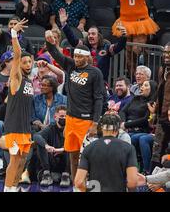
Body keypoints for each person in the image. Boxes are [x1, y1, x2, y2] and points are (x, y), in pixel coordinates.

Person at [45, 30, 105, 182]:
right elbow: (55, 53)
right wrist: (48, 40)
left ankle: (91, 187)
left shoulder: (95, 73)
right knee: (72, 156)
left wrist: (95, 122)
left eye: (80, 57)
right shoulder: (71, 66)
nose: (77, 59)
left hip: (86, 121)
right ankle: (76, 187)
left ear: (87, 57)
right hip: (71, 120)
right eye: (75, 56)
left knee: (87, 159)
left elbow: (99, 99)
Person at [1, 19, 34, 192]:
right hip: (13, 127)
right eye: (24, 62)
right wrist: (14, 33)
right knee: (14, 160)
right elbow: (17, 54)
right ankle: (7, 190)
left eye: (30, 62)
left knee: (22, 161)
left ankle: (13, 187)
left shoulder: (29, 81)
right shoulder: (16, 77)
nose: (27, 64)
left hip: (25, 128)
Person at [59, 8, 127, 81]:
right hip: (84, 81)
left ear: (99, 36)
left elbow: (119, 47)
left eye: (93, 34)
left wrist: (124, 37)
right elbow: (72, 39)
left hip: (101, 83)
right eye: (89, 34)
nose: (90, 36)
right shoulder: (83, 46)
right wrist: (64, 24)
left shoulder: (106, 47)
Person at [74, 113, 138, 192]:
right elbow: (132, 182)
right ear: (118, 128)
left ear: (101, 128)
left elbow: (79, 182)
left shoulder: (88, 148)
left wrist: (89, 190)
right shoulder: (129, 149)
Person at [120, 80, 157, 174]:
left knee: (133, 137)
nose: (141, 88)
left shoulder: (152, 103)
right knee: (125, 136)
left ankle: (144, 170)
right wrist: (123, 122)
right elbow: (123, 111)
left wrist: (126, 125)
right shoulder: (135, 98)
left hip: (141, 129)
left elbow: (145, 120)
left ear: (152, 89)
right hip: (127, 126)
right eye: (142, 86)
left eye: (145, 86)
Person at [33, 105, 71, 187]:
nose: (64, 118)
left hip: (65, 161)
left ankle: (66, 175)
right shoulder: (51, 128)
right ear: (55, 117)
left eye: (65, 116)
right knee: (41, 144)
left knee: (71, 148)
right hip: (51, 160)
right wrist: (46, 146)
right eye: (61, 116)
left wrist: (62, 150)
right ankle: (46, 174)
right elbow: (36, 136)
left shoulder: (71, 129)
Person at [151, 42, 170, 170]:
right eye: (165, 53)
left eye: (169, 53)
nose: (166, 55)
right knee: (157, 150)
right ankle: (153, 180)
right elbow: (160, 93)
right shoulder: (162, 69)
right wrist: (154, 113)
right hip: (162, 116)